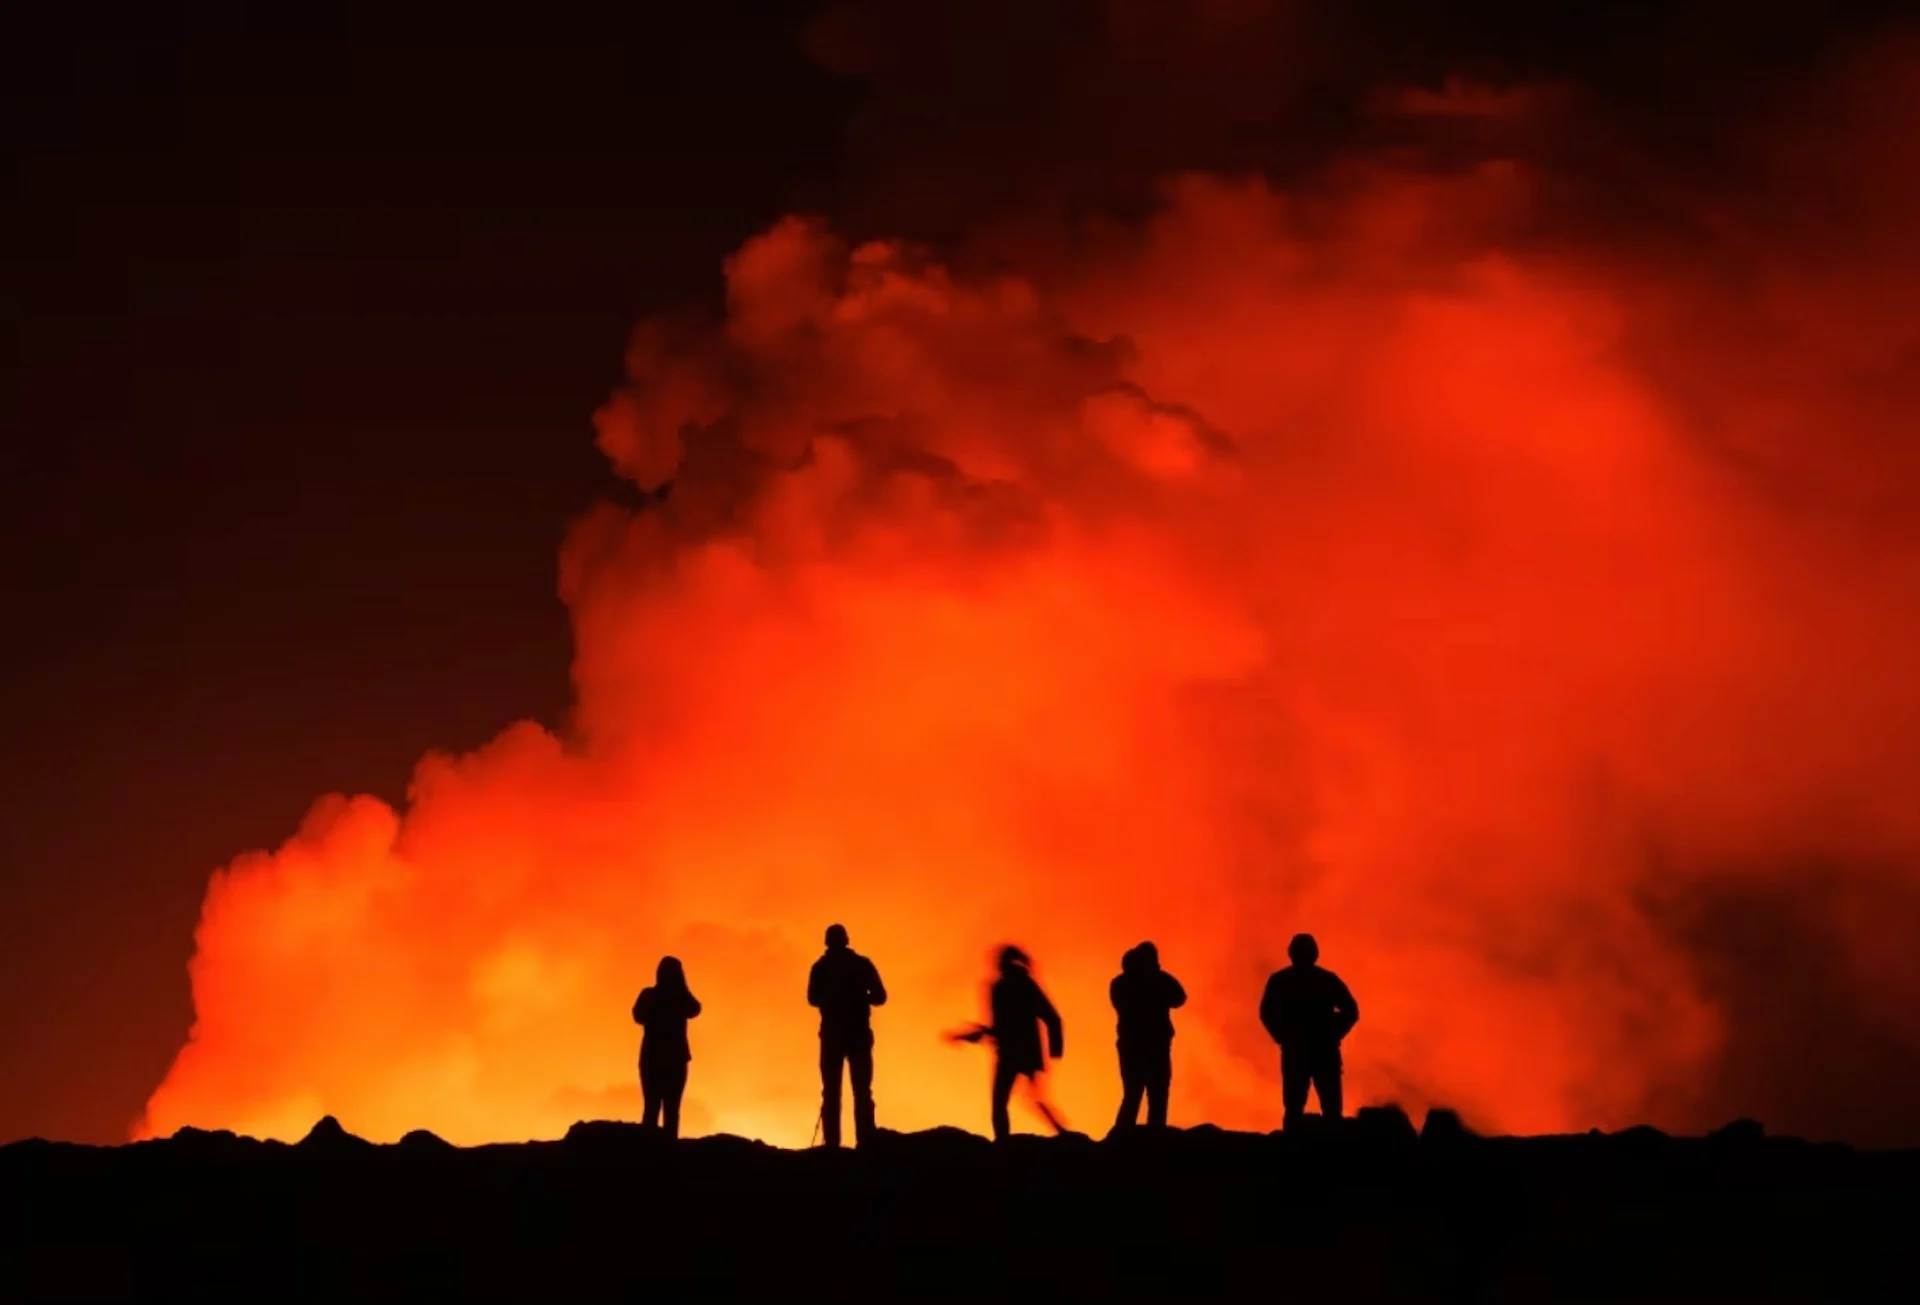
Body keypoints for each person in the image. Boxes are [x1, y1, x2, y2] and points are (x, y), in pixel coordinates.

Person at [1258, 933, 1359, 1130]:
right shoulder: (1316, 980)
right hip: (1310, 1052)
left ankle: (1294, 1149)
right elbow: (1267, 1013)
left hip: (1314, 1052)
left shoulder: (1283, 981)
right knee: (1305, 1107)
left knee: (1315, 1108)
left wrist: (1332, 1033)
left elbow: (1351, 1011)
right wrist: (1333, 1033)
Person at [807, 923, 887, 1148]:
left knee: (832, 1093)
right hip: (857, 1035)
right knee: (861, 1091)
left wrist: (834, 999)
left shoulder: (821, 967)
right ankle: (866, 1141)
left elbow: (812, 998)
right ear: (846, 940)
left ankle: (833, 1145)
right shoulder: (861, 965)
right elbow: (880, 996)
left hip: (834, 1036)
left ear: (827, 942)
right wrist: (860, 998)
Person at [980, 945, 1065, 1141]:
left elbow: (1051, 1017)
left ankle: (1003, 1143)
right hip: (1021, 1053)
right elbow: (1051, 1017)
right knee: (1029, 1099)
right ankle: (1060, 1131)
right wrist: (1055, 1049)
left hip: (1014, 1053)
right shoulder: (1010, 986)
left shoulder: (1015, 987)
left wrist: (1055, 1049)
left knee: (1001, 1102)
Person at [1109, 941, 1187, 1133]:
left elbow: (1180, 997)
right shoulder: (1152, 981)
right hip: (1152, 1045)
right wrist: (1157, 974)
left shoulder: (1120, 982)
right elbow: (1179, 997)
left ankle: (1125, 1137)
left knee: (1136, 1094)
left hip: (1134, 1045)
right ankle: (1149, 1137)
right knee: (1153, 1094)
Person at [631, 956, 702, 1138]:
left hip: (657, 1060)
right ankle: (663, 1152)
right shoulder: (671, 997)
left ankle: (653, 1152)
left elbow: (695, 1009)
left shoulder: (652, 995)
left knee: (656, 1108)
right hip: (669, 1060)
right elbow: (694, 1008)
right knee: (666, 1109)